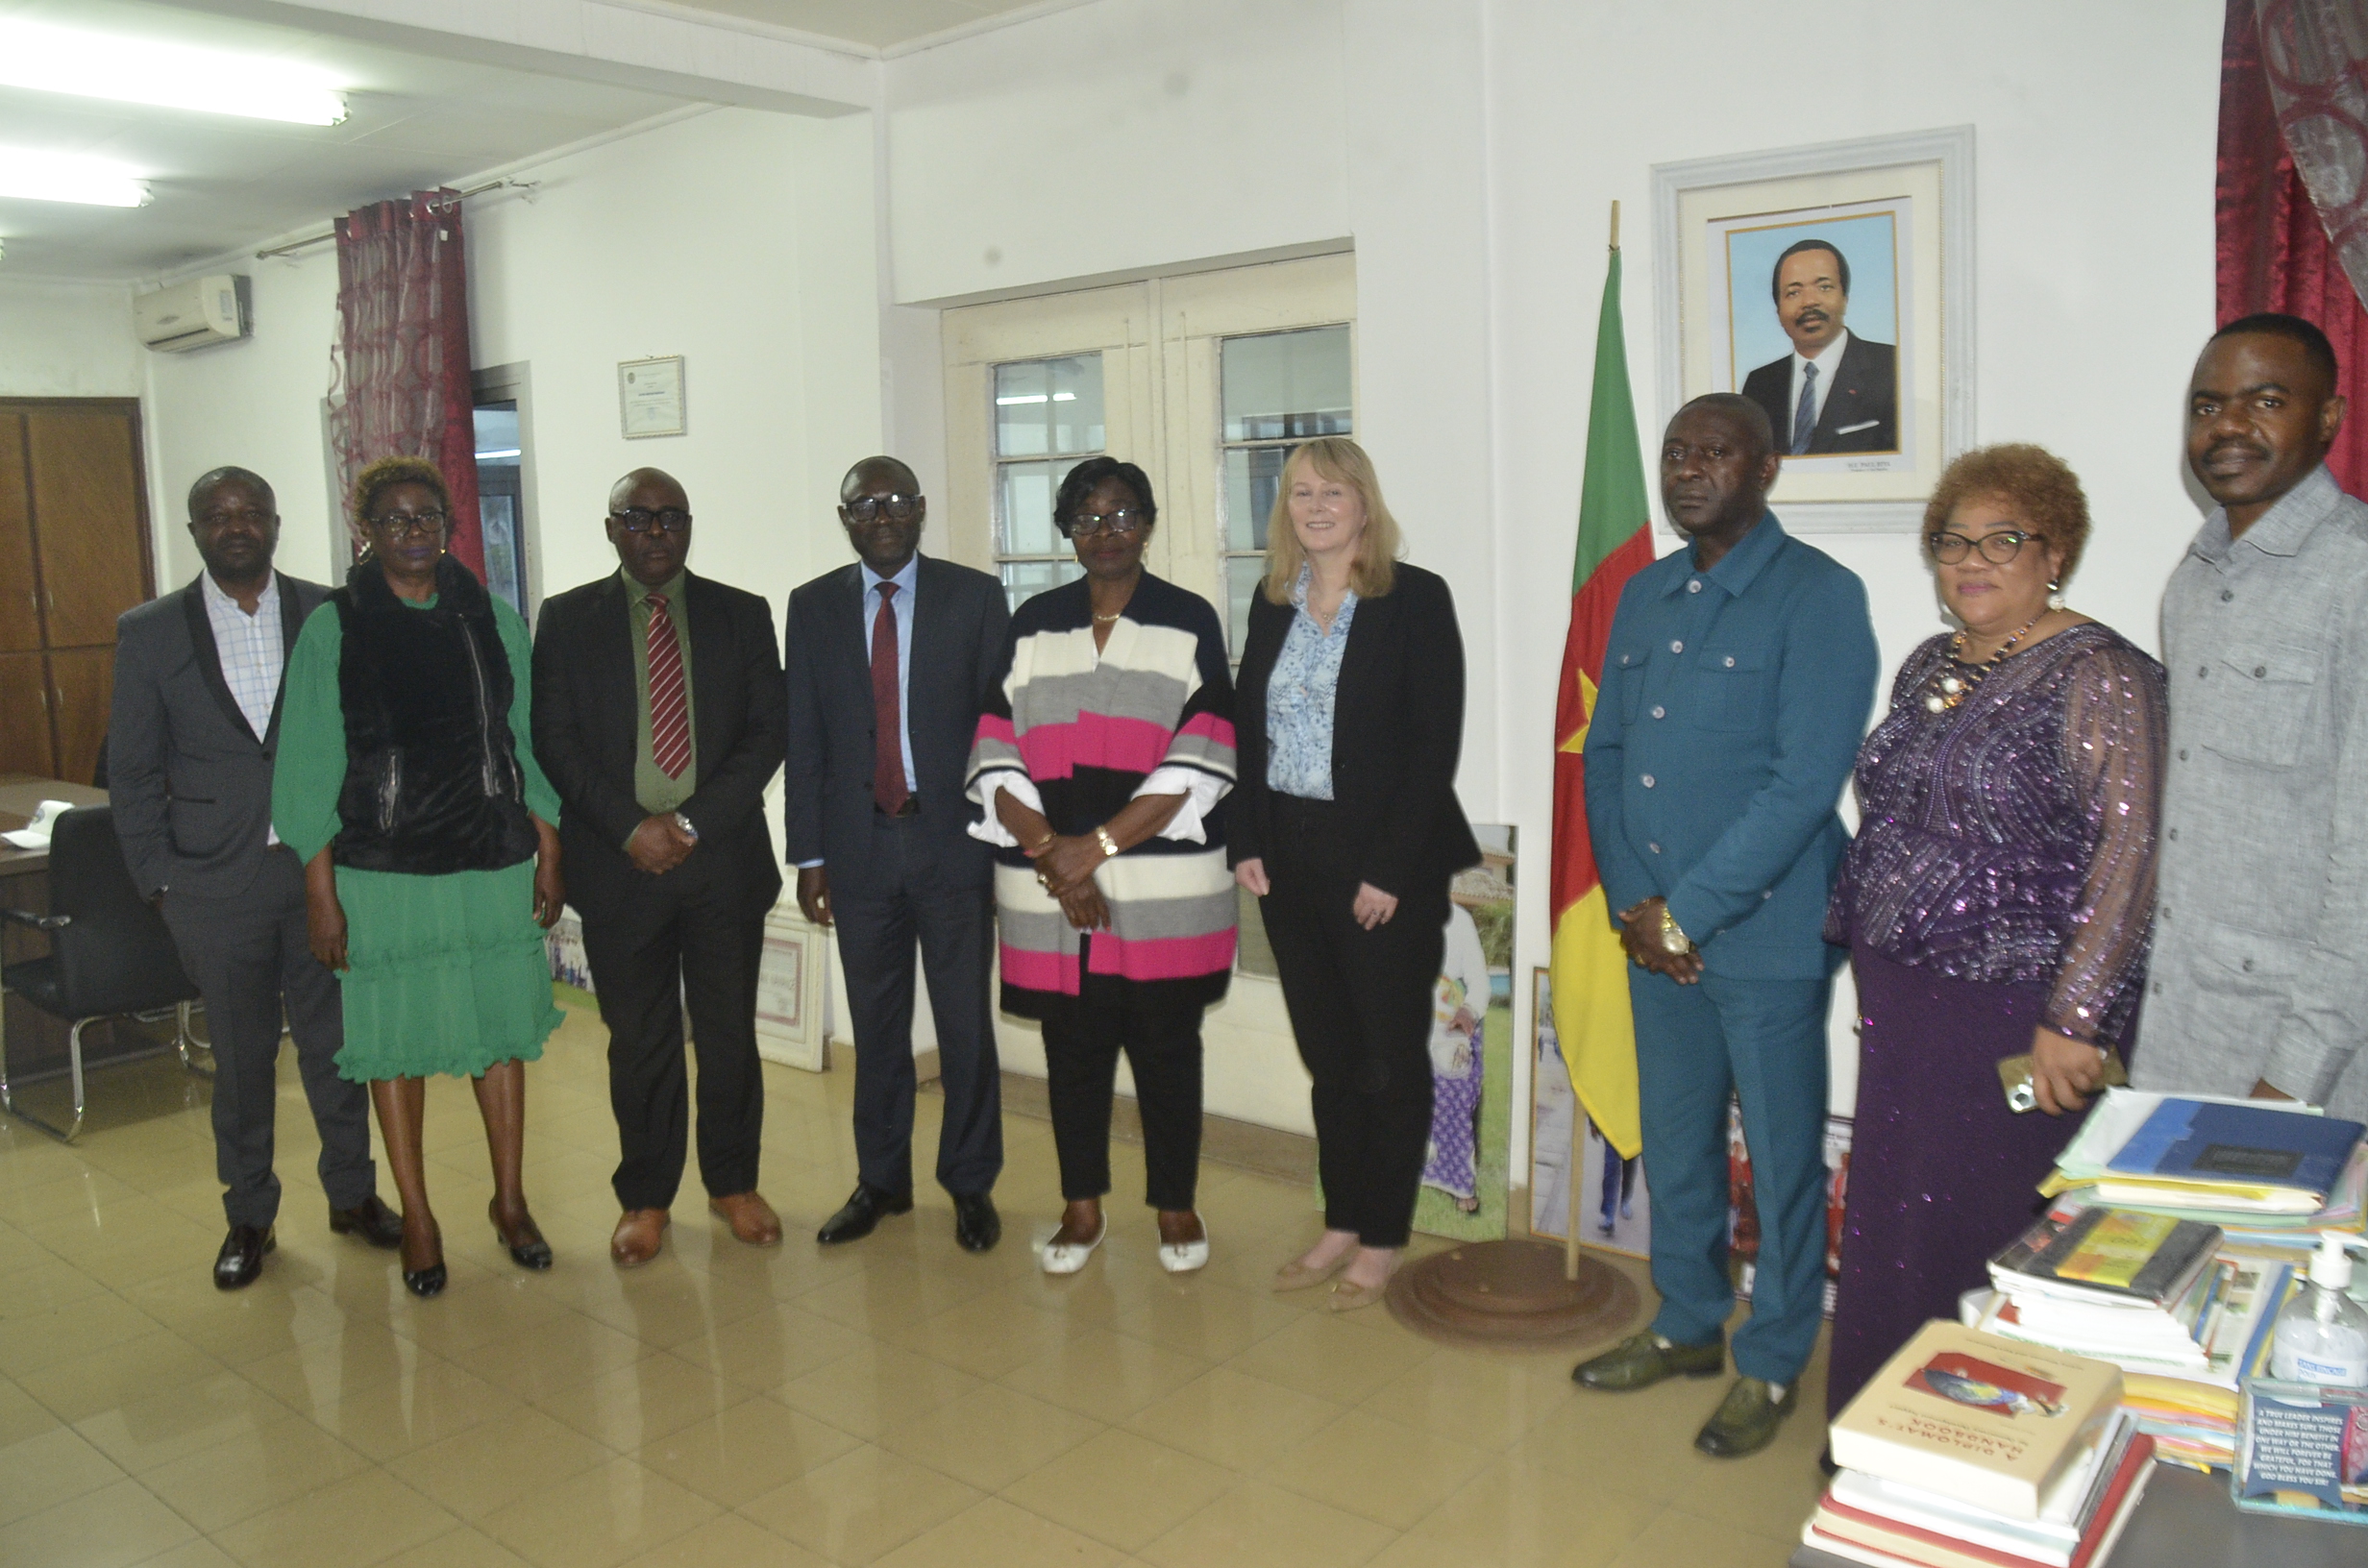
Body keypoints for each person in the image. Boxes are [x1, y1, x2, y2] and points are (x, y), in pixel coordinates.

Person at [1823, 443, 2166, 1424]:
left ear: (2054, 554)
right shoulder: (1931, 663)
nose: (1971, 561)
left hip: (2017, 1018)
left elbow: (2131, 853)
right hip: (1908, 1006)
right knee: (1896, 1220)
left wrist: (2078, 1017)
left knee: (1985, 1228)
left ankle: (1982, 1448)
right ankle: (1883, 1436)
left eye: (2001, 540)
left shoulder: (2101, 673)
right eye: (1952, 541)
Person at [1573, 393, 1878, 1458]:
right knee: (1678, 1141)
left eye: (1715, 453)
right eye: (1676, 453)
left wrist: (1687, 913)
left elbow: (1804, 786)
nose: (1688, 470)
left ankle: (1774, 1357)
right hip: (1651, 933)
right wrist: (1634, 905)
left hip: (1766, 933)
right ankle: (1688, 1322)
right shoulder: (1646, 593)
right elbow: (1607, 757)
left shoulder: (1820, 595)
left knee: (1785, 1160)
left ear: (1767, 468)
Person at [273, 455, 565, 1298]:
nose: (412, 533)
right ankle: (420, 1218)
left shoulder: (491, 618)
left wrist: (550, 845)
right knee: (393, 1045)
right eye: (395, 519)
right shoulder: (335, 628)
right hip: (383, 871)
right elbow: (308, 766)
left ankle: (510, 1202)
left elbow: (527, 739)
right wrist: (320, 892)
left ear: (448, 526)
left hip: (489, 859)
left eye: (427, 518)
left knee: (500, 1037)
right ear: (365, 530)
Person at [110, 466, 402, 1290]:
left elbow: (368, 738)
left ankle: (352, 1195)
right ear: (195, 530)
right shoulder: (150, 632)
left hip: (321, 876)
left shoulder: (328, 612)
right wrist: (161, 884)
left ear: (275, 524)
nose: (236, 526)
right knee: (240, 1065)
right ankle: (249, 1214)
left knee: (336, 1049)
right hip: (213, 886)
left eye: (251, 513)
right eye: (218, 515)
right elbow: (132, 770)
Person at [967, 457, 1237, 1276]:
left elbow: (1203, 752)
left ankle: (1175, 1203)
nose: (1105, 531)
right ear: (1067, 532)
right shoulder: (1033, 624)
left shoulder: (1187, 619)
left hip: (1163, 888)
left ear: (1147, 525)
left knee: (1167, 1050)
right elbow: (993, 746)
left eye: (1122, 515)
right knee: (1072, 1052)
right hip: (1049, 886)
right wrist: (1056, 857)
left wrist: (1097, 848)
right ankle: (1080, 1208)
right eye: (1087, 518)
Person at [1232, 436, 1481, 1311]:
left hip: (1384, 865)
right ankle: (1340, 1219)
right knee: (1329, 1056)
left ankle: (1381, 1237)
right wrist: (1246, 838)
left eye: (1333, 492)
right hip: (1289, 861)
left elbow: (1432, 745)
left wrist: (1389, 869)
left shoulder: (1415, 599)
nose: (1315, 507)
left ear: (1364, 505)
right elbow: (1249, 731)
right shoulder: (1272, 602)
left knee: (1387, 1057)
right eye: (1301, 493)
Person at [531, 468, 787, 1268]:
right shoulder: (567, 619)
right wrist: (628, 829)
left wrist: (687, 823)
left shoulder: (741, 614)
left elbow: (766, 735)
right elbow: (554, 739)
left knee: (728, 1035)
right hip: (619, 870)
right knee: (638, 1042)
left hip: (722, 863)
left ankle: (733, 1183)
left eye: (670, 517)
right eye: (637, 518)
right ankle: (645, 1197)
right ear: (611, 528)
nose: (655, 532)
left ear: (688, 526)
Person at [2139, 313, 2368, 1124]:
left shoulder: (2355, 577)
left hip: (2301, 1059)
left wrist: (2295, 1076)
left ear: (2329, 418)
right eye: (2207, 407)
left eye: (2265, 401)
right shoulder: (2193, 583)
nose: (2228, 425)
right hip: (2180, 1027)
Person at [785, 456, 1010, 1252]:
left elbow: (1000, 729)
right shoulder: (812, 606)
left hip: (954, 844)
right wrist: (809, 856)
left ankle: (970, 1182)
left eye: (895, 502)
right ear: (844, 519)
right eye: (864, 505)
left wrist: (1005, 843)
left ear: (920, 510)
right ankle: (881, 1181)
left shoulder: (974, 597)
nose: (881, 516)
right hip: (859, 849)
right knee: (875, 1027)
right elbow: (805, 735)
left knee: (963, 1026)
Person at [1739, 238, 1899, 456]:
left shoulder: (1893, 366)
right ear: (1778, 310)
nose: (1809, 302)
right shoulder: (1759, 384)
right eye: (1793, 292)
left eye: (1824, 287)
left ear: (1845, 298)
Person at [1420, 903, 1491, 1215]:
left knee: (1455, 1095)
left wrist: (1468, 1011)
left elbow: (1480, 984)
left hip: (1447, 1026)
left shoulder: (1459, 920)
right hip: (1402, 1024)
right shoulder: (1390, 906)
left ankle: (1459, 1183)